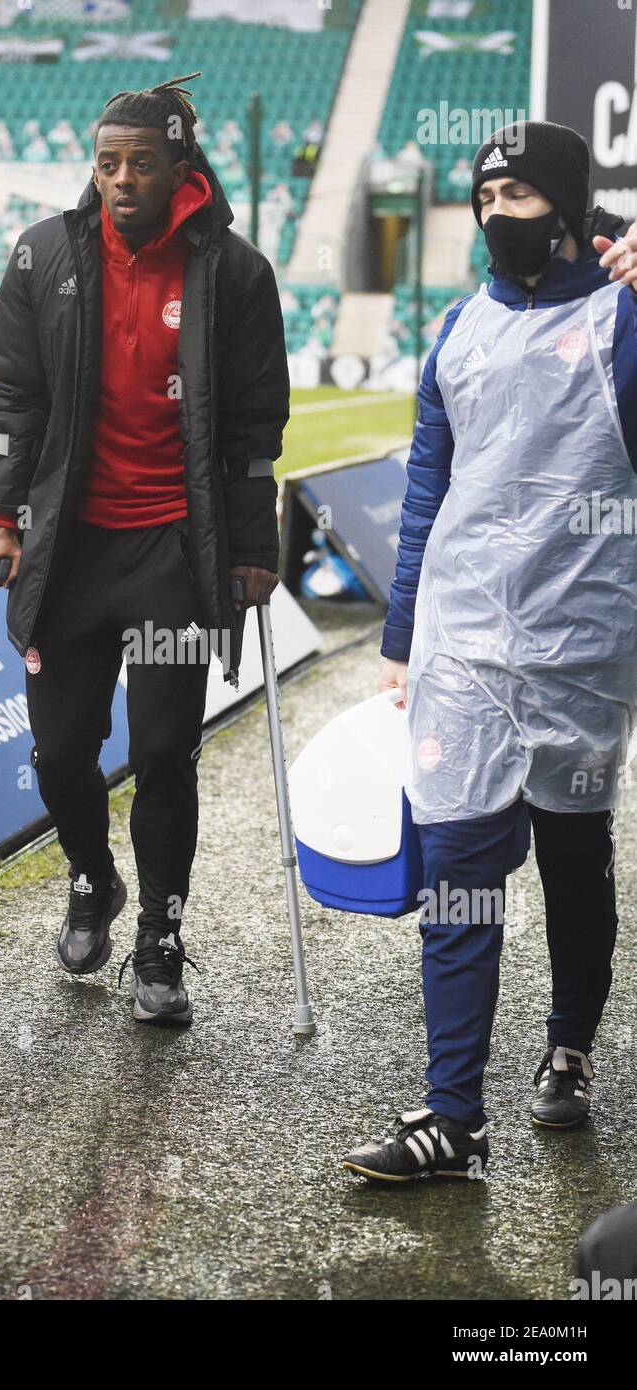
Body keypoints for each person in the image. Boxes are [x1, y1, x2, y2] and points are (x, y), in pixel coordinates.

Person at [342, 121, 637, 1181]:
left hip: (581, 648)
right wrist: (401, 638)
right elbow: (425, 492)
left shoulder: (621, 319)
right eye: (483, 196)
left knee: (569, 858)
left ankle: (568, 1047)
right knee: (459, 868)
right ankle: (451, 1113)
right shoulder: (458, 330)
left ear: (564, 207)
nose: (493, 214)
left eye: (516, 195)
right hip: (462, 646)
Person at [0, 73, 289, 1026]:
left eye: (141, 164)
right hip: (67, 549)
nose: (120, 180)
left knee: (163, 750)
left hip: (171, 558)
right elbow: (13, 402)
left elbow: (253, 427)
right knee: (63, 753)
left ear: (181, 167)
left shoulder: (234, 274)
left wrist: (250, 543)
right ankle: (90, 876)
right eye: (107, 163)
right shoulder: (42, 258)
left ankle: (160, 935)